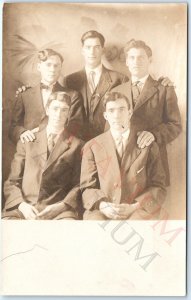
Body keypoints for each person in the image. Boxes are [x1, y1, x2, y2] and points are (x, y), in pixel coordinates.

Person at [64, 31, 174, 141]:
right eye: (88, 47)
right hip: (77, 142)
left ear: (103, 50)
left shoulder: (120, 79)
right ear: (82, 50)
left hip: (110, 142)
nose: (92, 52)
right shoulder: (70, 80)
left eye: (97, 47)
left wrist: (161, 83)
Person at [80, 92, 166, 220]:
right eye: (111, 110)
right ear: (105, 116)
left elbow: (158, 186)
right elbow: (87, 188)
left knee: (139, 227)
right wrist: (103, 206)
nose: (117, 115)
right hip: (102, 210)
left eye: (122, 109)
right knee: (95, 227)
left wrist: (135, 207)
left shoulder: (148, 145)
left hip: (138, 209)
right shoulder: (92, 147)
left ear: (130, 113)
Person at [3, 91, 84, 220]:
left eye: (64, 110)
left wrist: (62, 206)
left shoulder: (77, 145)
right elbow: (12, 182)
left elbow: (79, 185)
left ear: (69, 113)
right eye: (55, 109)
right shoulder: (28, 141)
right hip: (25, 207)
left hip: (59, 211)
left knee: (70, 229)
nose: (59, 114)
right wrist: (22, 205)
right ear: (47, 110)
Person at [111, 39, 182, 185]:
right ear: (127, 62)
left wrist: (154, 134)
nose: (136, 61)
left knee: (146, 205)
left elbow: (175, 125)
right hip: (121, 159)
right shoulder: (116, 91)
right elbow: (109, 128)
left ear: (150, 60)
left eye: (141, 57)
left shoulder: (164, 89)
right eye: (132, 57)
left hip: (151, 160)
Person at [9, 48, 85, 144]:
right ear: (39, 67)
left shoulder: (73, 95)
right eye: (48, 65)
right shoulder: (25, 95)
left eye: (56, 66)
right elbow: (13, 127)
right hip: (31, 148)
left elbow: (77, 126)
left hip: (60, 150)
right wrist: (22, 132)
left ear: (60, 68)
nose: (52, 69)